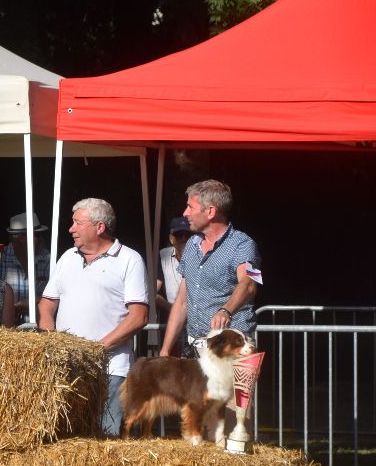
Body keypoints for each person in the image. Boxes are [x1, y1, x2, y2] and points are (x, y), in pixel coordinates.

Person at [37, 198, 148, 438]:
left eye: (77, 223)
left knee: (105, 442)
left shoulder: (130, 260)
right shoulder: (67, 257)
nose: (71, 229)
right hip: (66, 368)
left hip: (110, 370)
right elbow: (46, 305)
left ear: (100, 227)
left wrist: (95, 350)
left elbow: (139, 316)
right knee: (65, 439)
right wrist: (51, 342)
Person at [161, 180, 262, 358]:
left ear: (210, 211)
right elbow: (182, 301)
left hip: (232, 350)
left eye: (190, 207)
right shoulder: (191, 245)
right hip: (195, 351)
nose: (185, 213)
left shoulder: (244, 245)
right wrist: (165, 350)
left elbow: (249, 285)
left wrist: (226, 310)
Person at [0, 211, 52, 324]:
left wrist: (33, 302)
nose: (38, 239)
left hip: (39, 329)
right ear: (17, 238)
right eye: (35, 235)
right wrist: (10, 308)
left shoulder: (48, 260)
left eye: (39, 235)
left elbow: (57, 295)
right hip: (5, 329)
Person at [156, 216, 194, 319]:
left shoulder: (202, 255)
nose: (183, 238)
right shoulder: (163, 255)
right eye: (179, 235)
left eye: (187, 235)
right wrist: (173, 309)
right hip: (173, 318)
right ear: (171, 239)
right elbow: (152, 292)